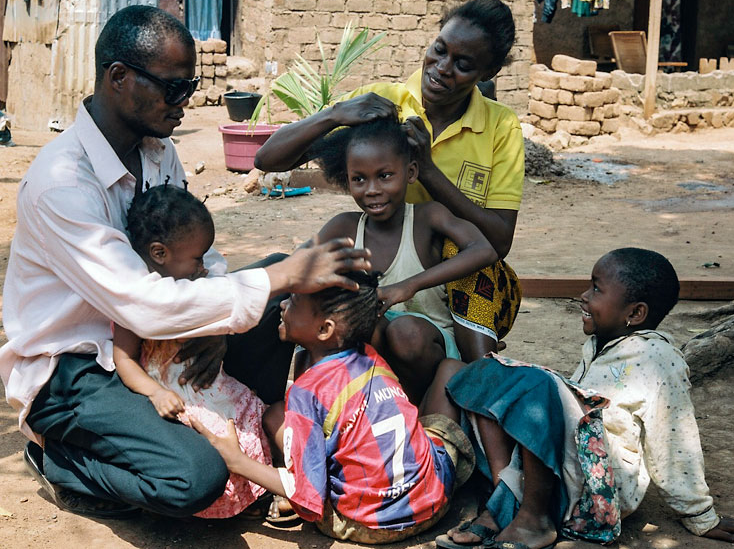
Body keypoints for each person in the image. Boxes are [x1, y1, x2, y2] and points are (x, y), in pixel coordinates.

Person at [0, 5, 370, 520]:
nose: (186, 101)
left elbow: (203, 257)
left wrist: (219, 323)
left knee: (282, 290)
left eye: (190, 85)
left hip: (157, 340)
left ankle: (255, 435)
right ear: (119, 78)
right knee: (197, 477)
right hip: (77, 368)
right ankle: (62, 459)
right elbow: (142, 304)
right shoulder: (62, 183)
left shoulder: (158, 153)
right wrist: (273, 279)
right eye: (173, 88)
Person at [254, 0, 525, 364]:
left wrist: (428, 170)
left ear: (487, 74)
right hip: (387, 262)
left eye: (462, 64)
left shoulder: (500, 126)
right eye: (439, 50)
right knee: (299, 286)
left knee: (465, 275)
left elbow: (497, 242)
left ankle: (479, 375)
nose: (442, 68)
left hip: (456, 273)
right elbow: (267, 159)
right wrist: (335, 114)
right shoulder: (382, 103)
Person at [440, 248, 734, 548]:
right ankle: (506, 501)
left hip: (597, 496)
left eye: (596, 289)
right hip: (566, 475)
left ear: (635, 312)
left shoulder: (658, 359)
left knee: (537, 385)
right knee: (478, 375)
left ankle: (532, 518)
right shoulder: (599, 345)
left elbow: (673, 441)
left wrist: (700, 515)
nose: (584, 296)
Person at [192, 270, 475, 543]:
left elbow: (310, 495)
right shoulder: (370, 356)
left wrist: (235, 460)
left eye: (293, 301)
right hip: (432, 506)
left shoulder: (307, 393)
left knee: (276, 417)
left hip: (363, 524)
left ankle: (285, 489)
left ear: (325, 329)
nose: (282, 304)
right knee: (447, 378)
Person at [113, 183, 274, 519]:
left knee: (246, 416)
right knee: (208, 435)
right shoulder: (135, 301)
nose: (204, 265)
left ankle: (257, 490)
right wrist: (155, 394)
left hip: (211, 386)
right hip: (176, 396)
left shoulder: (196, 284)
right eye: (198, 257)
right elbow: (123, 359)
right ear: (159, 253)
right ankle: (228, 501)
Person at [313, 116, 498, 403]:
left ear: (411, 172)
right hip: (377, 369)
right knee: (355, 325)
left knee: (405, 331)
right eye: (359, 179)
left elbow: (483, 249)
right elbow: (298, 267)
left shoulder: (427, 217)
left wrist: (409, 285)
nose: (372, 189)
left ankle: (421, 409)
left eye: (385, 176)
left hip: (429, 351)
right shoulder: (344, 227)